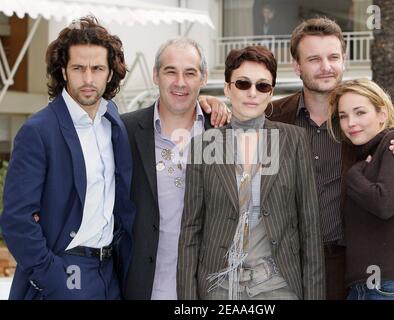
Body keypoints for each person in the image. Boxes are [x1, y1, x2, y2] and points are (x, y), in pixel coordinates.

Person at [199, 17, 394, 299]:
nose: (326, 66)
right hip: (281, 267)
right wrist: (209, 105)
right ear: (297, 66)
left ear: (344, 61)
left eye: (333, 57)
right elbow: (231, 132)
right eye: (314, 59)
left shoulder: (360, 122)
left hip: (348, 266)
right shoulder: (271, 115)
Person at [0, 16, 134, 299]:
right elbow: (16, 220)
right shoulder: (38, 131)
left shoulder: (115, 124)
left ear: (110, 73)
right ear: (63, 71)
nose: (88, 78)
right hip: (65, 273)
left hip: (110, 275)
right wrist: (53, 279)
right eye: (78, 68)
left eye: (97, 68)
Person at [177, 45, 325, 300]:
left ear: (271, 92)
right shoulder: (205, 144)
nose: (252, 93)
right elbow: (191, 229)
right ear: (227, 88)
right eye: (243, 84)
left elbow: (309, 227)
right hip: (219, 286)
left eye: (262, 86)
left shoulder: (293, 140)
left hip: (277, 285)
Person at [122, 38, 230, 300]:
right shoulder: (124, 131)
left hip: (208, 290)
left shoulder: (225, 133)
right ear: (155, 74)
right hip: (145, 287)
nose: (180, 82)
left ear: (203, 78)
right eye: (171, 71)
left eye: (190, 73)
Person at [327, 78, 394, 300]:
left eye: (360, 112)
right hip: (366, 287)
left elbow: (383, 203)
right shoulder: (366, 154)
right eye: (344, 116)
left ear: (382, 114)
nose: (350, 123)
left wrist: (354, 175)